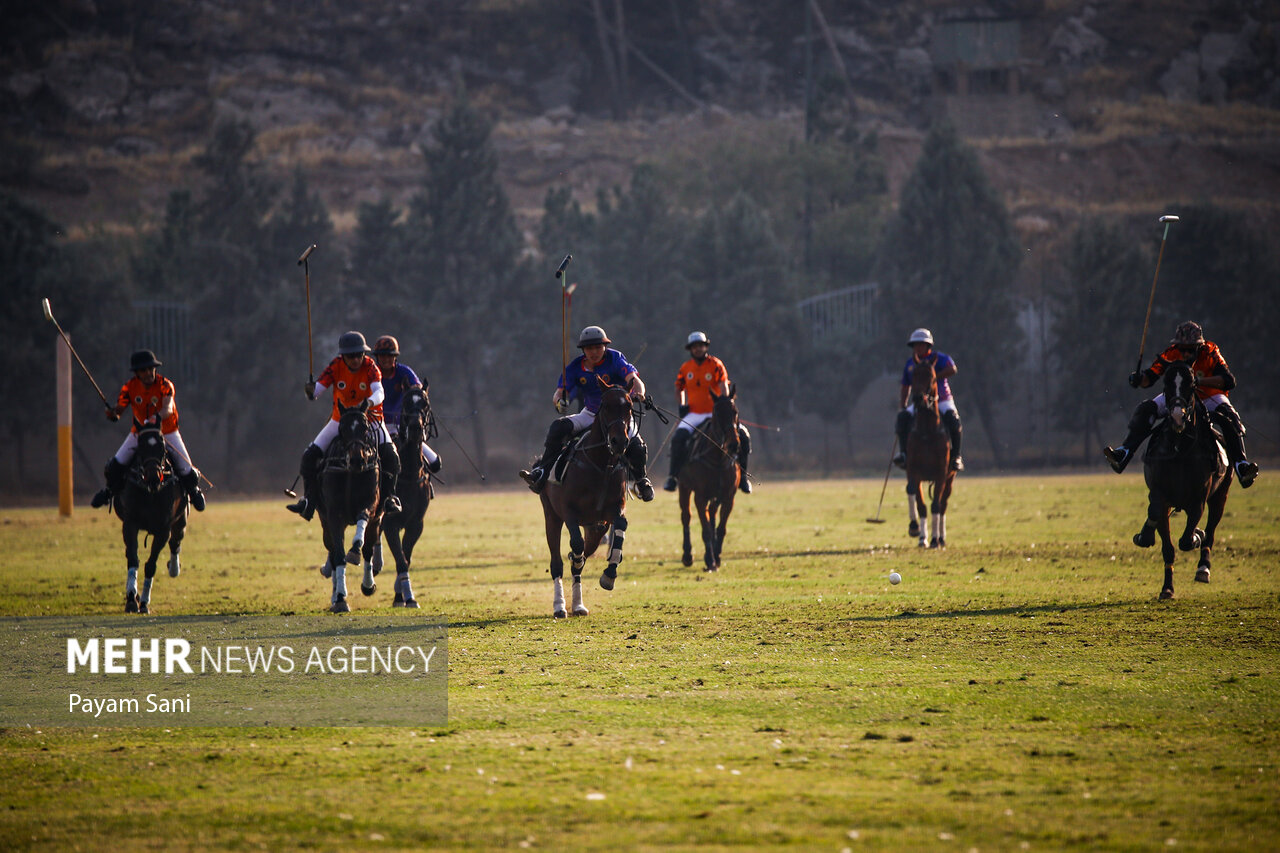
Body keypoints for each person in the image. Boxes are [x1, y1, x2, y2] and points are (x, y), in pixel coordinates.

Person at [1104, 321, 1259, 487]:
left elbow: (1229, 381)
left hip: (1208, 396)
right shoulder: (1171, 352)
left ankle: (1241, 465)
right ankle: (1124, 453)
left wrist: (1198, 381)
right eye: (1182, 348)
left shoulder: (1211, 352)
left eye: (1190, 349)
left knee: (1230, 417)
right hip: (1177, 396)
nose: (1185, 353)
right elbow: (1150, 377)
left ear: (1199, 346)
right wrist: (1138, 379)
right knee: (1146, 409)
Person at [518, 325, 655, 501]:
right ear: (583, 350)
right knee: (557, 428)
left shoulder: (615, 358)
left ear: (605, 347)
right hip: (590, 414)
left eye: (598, 347)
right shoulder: (575, 368)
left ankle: (641, 481)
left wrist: (639, 392)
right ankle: (542, 472)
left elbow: (635, 380)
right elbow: (559, 393)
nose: (594, 352)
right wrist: (559, 402)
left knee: (636, 446)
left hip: (616, 416)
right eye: (590, 348)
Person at [285, 331, 402, 520]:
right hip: (340, 421)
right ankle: (309, 501)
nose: (355, 359)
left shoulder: (371, 367)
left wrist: (369, 403)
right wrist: (310, 390)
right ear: (343, 356)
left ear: (364, 354)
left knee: (391, 455)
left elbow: (380, 392)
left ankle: (389, 498)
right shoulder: (335, 366)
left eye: (359, 355)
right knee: (309, 456)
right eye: (351, 355)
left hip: (370, 420)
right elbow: (318, 391)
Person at [91, 350, 205, 511]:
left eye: (150, 369)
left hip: (167, 432)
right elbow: (120, 409)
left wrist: (155, 418)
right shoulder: (129, 387)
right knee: (114, 467)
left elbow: (168, 409)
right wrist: (112, 413)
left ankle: (193, 492)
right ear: (137, 373)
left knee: (187, 470)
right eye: (143, 370)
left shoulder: (165, 385)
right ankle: (109, 491)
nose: (148, 373)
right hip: (140, 434)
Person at [663, 331, 752, 494]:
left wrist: (724, 402)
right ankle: (673, 477)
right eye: (695, 347)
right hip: (695, 413)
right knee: (678, 438)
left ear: (706, 347)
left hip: (716, 414)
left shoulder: (716, 365)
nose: (698, 349)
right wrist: (682, 405)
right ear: (690, 349)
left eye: (701, 346)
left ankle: (744, 478)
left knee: (743, 436)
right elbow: (679, 389)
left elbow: (724, 385)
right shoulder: (685, 368)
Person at [892, 328, 964, 472]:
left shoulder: (941, 358)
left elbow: (953, 369)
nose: (918, 347)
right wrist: (903, 405)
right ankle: (904, 454)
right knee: (902, 418)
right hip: (919, 400)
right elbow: (905, 386)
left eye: (921, 344)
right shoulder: (910, 364)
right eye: (915, 345)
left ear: (928, 345)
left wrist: (933, 377)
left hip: (942, 399)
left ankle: (956, 456)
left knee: (953, 420)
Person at [372, 335, 442, 474]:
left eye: (389, 356)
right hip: (375, 427)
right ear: (377, 358)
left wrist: (416, 388)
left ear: (395, 357)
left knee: (435, 463)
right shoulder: (372, 373)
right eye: (382, 356)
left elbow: (417, 387)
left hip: (400, 428)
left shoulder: (404, 371)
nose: (386, 359)